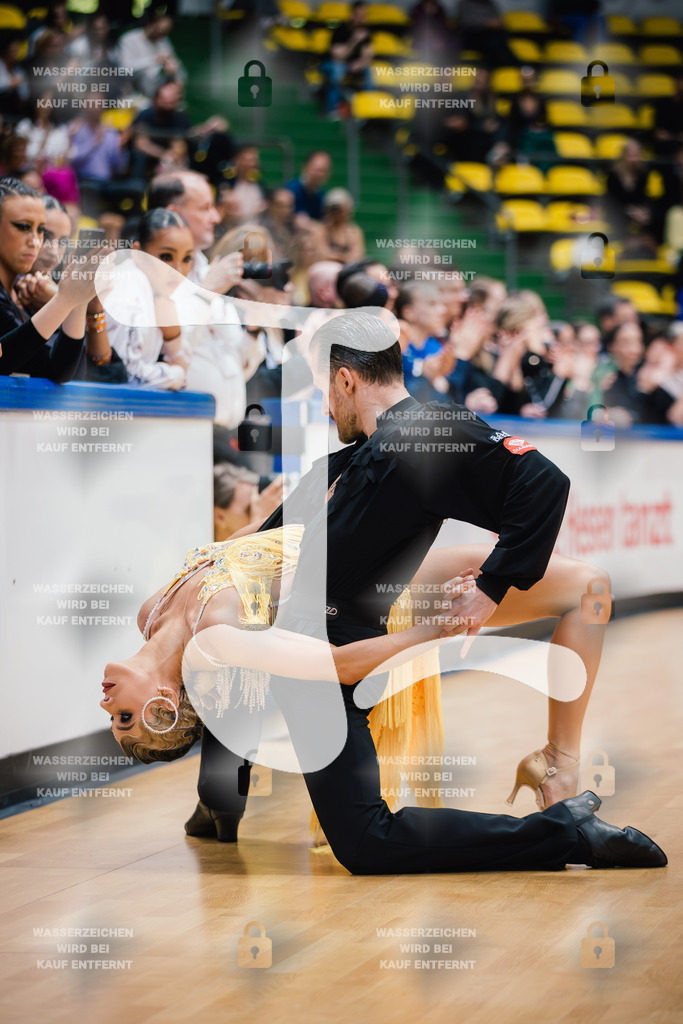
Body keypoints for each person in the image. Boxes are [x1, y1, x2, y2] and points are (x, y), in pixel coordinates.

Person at [102, 311, 666, 873]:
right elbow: (251, 571)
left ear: (346, 380)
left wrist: (489, 589)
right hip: (315, 650)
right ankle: (220, 802)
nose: (325, 406)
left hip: (335, 657)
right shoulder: (343, 461)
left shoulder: (424, 434)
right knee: (245, 673)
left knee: (367, 841)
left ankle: (565, 822)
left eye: (325, 390)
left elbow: (544, 482)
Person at [0, 177, 110, 381]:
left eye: (40, 230)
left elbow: (58, 371)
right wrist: (63, 301)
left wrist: (78, 301)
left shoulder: (22, 295)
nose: (36, 241)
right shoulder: (28, 292)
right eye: (23, 226)